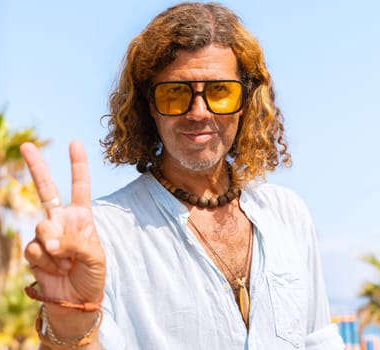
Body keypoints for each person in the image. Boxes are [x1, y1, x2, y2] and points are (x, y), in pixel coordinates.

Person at [20, 2, 345, 349]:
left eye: (220, 91)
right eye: (176, 93)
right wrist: (71, 324)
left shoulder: (287, 214)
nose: (199, 112)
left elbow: (319, 341)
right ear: (149, 105)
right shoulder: (102, 235)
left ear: (246, 100)